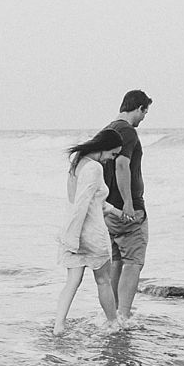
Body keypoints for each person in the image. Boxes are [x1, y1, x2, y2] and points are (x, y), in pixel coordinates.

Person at [54, 128, 125, 334]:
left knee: (72, 282)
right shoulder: (94, 168)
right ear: (103, 148)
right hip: (90, 234)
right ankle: (113, 324)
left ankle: (59, 325)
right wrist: (73, 238)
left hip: (73, 231)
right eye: (112, 154)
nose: (111, 159)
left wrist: (117, 211)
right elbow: (83, 204)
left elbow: (90, 201)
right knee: (103, 281)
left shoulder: (77, 162)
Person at [102, 90, 153, 325]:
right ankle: (123, 315)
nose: (144, 118)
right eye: (145, 112)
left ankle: (112, 314)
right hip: (126, 210)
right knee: (133, 262)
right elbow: (123, 165)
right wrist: (130, 205)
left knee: (116, 260)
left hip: (109, 209)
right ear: (139, 108)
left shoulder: (108, 130)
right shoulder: (127, 131)